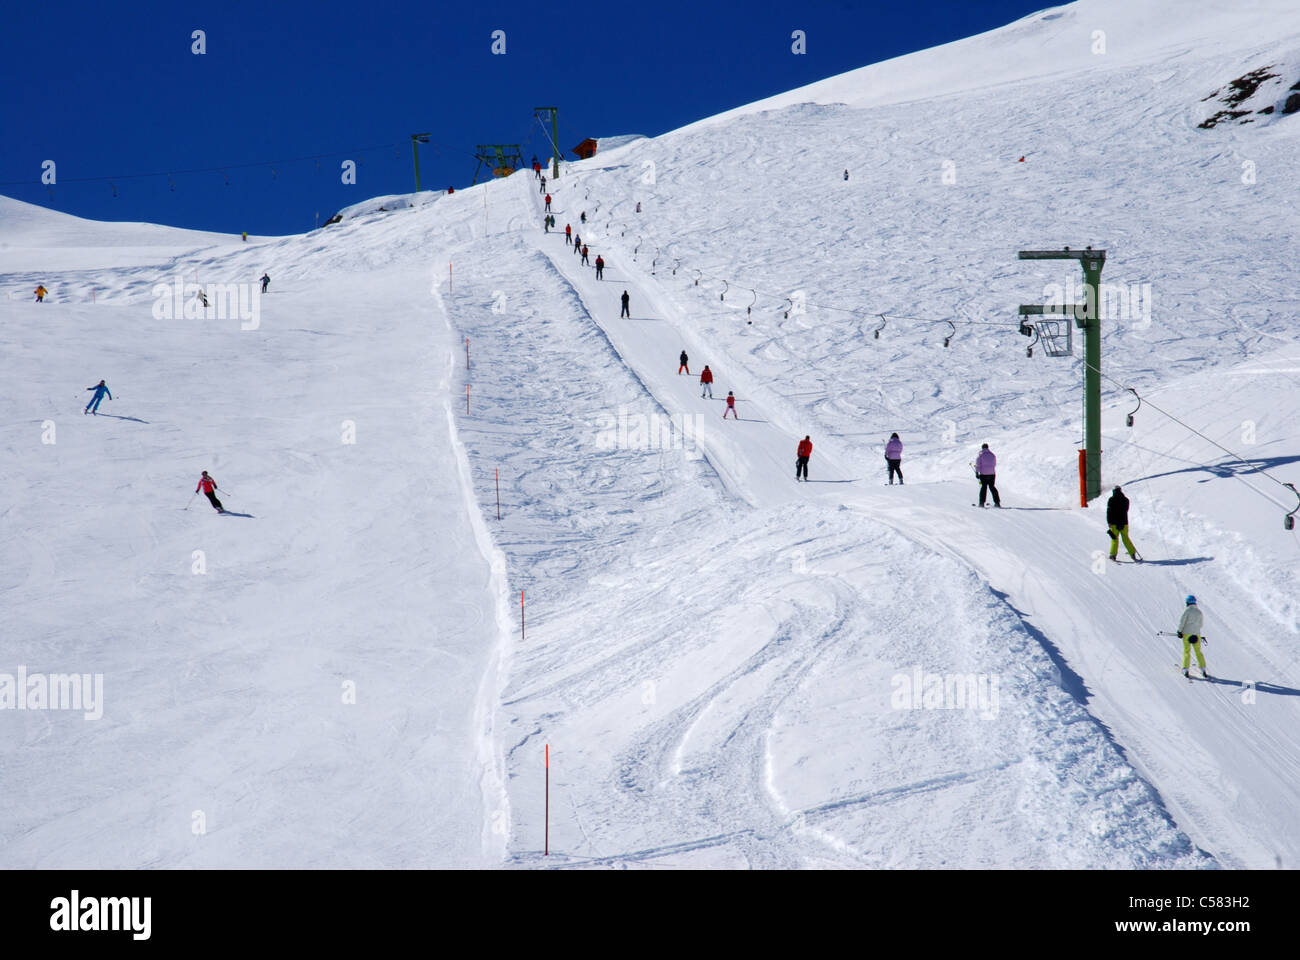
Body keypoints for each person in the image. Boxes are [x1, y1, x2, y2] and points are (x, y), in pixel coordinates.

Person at [1177, 595, 1208, 679]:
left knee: (1187, 651)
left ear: (1187, 602)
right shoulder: (1199, 612)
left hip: (1187, 634)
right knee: (1198, 652)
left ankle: (1185, 669)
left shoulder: (1187, 611)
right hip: (1197, 634)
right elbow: (1201, 624)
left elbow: (1182, 622)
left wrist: (1179, 631)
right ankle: (1203, 669)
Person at [1107, 485, 1141, 562]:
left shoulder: (1111, 500)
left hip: (1114, 524)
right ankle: (1132, 553)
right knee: (1126, 538)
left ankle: (1113, 555)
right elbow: (1125, 510)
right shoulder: (1126, 500)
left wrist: (1109, 522)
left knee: (1114, 539)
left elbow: (1109, 512)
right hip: (1124, 523)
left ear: (1114, 491)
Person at [975, 443, 1001, 507]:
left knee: (983, 487)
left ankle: (981, 503)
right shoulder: (992, 455)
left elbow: (978, 465)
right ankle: (997, 502)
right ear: (987, 447)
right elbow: (994, 464)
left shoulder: (980, 455)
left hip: (983, 474)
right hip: (992, 474)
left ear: (982, 448)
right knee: (992, 487)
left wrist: (977, 473)